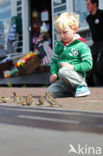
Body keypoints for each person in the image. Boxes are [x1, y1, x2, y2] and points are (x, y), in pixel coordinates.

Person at [47, 12, 93, 98]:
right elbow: (54, 61)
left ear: (74, 29)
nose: (61, 36)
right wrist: (54, 73)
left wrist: (72, 67)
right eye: (59, 33)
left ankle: (82, 86)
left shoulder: (81, 45)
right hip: (63, 81)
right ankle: (73, 91)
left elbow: (88, 64)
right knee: (49, 92)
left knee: (63, 70)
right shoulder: (59, 45)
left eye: (64, 32)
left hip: (76, 77)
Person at [86, 0, 103, 86]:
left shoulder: (101, 14)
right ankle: (98, 87)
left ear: (94, 4)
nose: (87, 6)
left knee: (100, 64)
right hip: (95, 43)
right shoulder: (88, 18)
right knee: (92, 65)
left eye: (88, 4)